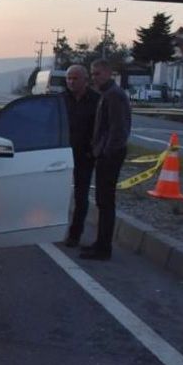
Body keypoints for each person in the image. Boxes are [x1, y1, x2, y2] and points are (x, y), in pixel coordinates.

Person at [82, 59, 131, 260]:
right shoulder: (107, 94)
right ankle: (100, 243)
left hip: (110, 156)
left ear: (108, 73)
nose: (94, 78)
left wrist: (105, 152)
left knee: (106, 201)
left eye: (98, 74)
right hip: (105, 153)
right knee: (102, 202)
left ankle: (103, 248)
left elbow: (118, 129)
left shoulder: (114, 96)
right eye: (92, 74)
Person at [62, 65, 100, 248]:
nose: (71, 82)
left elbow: (102, 128)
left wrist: (94, 150)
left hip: (85, 156)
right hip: (61, 155)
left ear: (85, 80)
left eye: (75, 78)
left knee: (81, 195)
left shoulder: (96, 101)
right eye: (69, 78)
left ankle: (75, 234)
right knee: (57, 193)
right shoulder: (61, 99)